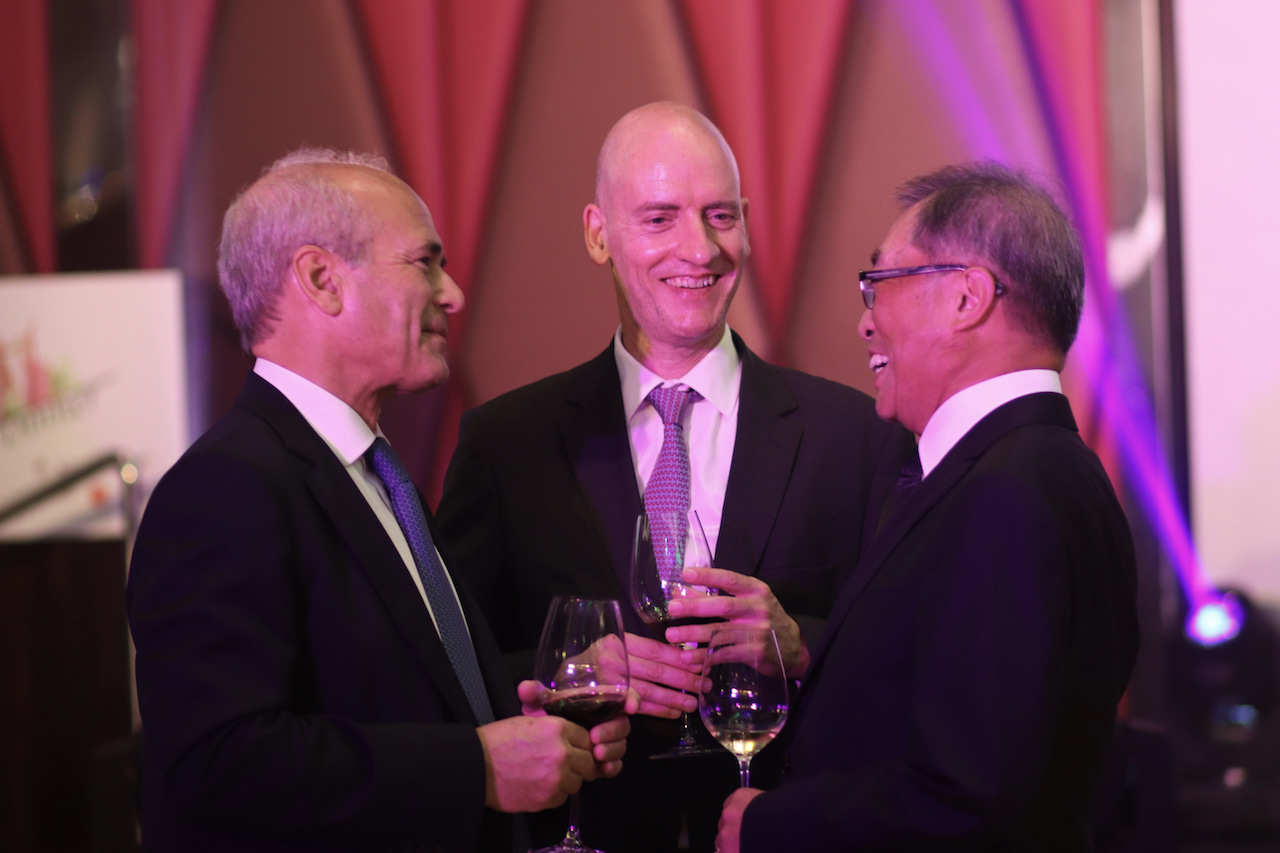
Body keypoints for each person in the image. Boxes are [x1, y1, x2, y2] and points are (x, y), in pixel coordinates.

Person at [435, 102, 915, 852]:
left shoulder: (855, 436)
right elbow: (445, 668)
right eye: (660, 219)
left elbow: (916, 654)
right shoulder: (507, 443)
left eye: (720, 216)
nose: (700, 248)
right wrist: (568, 671)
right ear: (598, 234)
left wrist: (800, 646)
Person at [126, 148, 634, 853]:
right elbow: (217, 764)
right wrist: (477, 768)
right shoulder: (223, 488)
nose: (452, 293)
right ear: (321, 279)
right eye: (424, 263)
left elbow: (403, 685)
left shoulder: (376, 474)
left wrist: (547, 704)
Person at [715, 162, 1140, 853]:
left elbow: (964, 796)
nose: (865, 322)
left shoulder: (1005, 493)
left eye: (879, 282)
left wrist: (770, 824)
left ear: (968, 297)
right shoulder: (1048, 469)